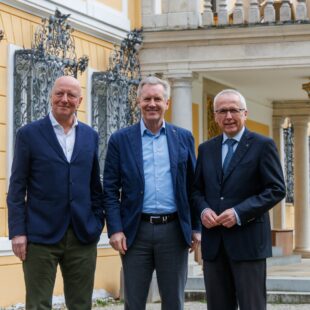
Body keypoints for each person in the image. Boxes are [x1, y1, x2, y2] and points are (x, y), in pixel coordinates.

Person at [103, 76, 201, 310]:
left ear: (167, 103)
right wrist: (115, 229)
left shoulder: (183, 137)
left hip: (174, 231)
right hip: (135, 233)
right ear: (138, 102)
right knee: (134, 302)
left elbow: (194, 186)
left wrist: (196, 227)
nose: (152, 104)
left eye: (158, 99)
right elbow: (109, 188)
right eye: (147, 98)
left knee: (174, 301)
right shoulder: (120, 140)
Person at [7, 75, 104, 310]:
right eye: (59, 93)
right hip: (40, 236)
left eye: (71, 95)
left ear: (79, 100)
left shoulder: (90, 136)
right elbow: (17, 187)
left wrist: (96, 222)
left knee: (81, 305)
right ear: (50, 97)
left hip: (82, 235)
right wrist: (18, 232)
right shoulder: (29, 134)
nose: (65, 99)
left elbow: (95, 187)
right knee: (38, 304)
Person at [192, 89, 286, 310]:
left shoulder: (263, 145)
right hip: (214, 244)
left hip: (249, 242)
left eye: (234, 110)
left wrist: (239, 213)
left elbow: (276, 189)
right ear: (215, 116)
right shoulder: (206, 149)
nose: (228, 116)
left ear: (245, 113)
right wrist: (203, 210)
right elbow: (196, 191)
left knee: (252, 305)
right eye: (222, 111)